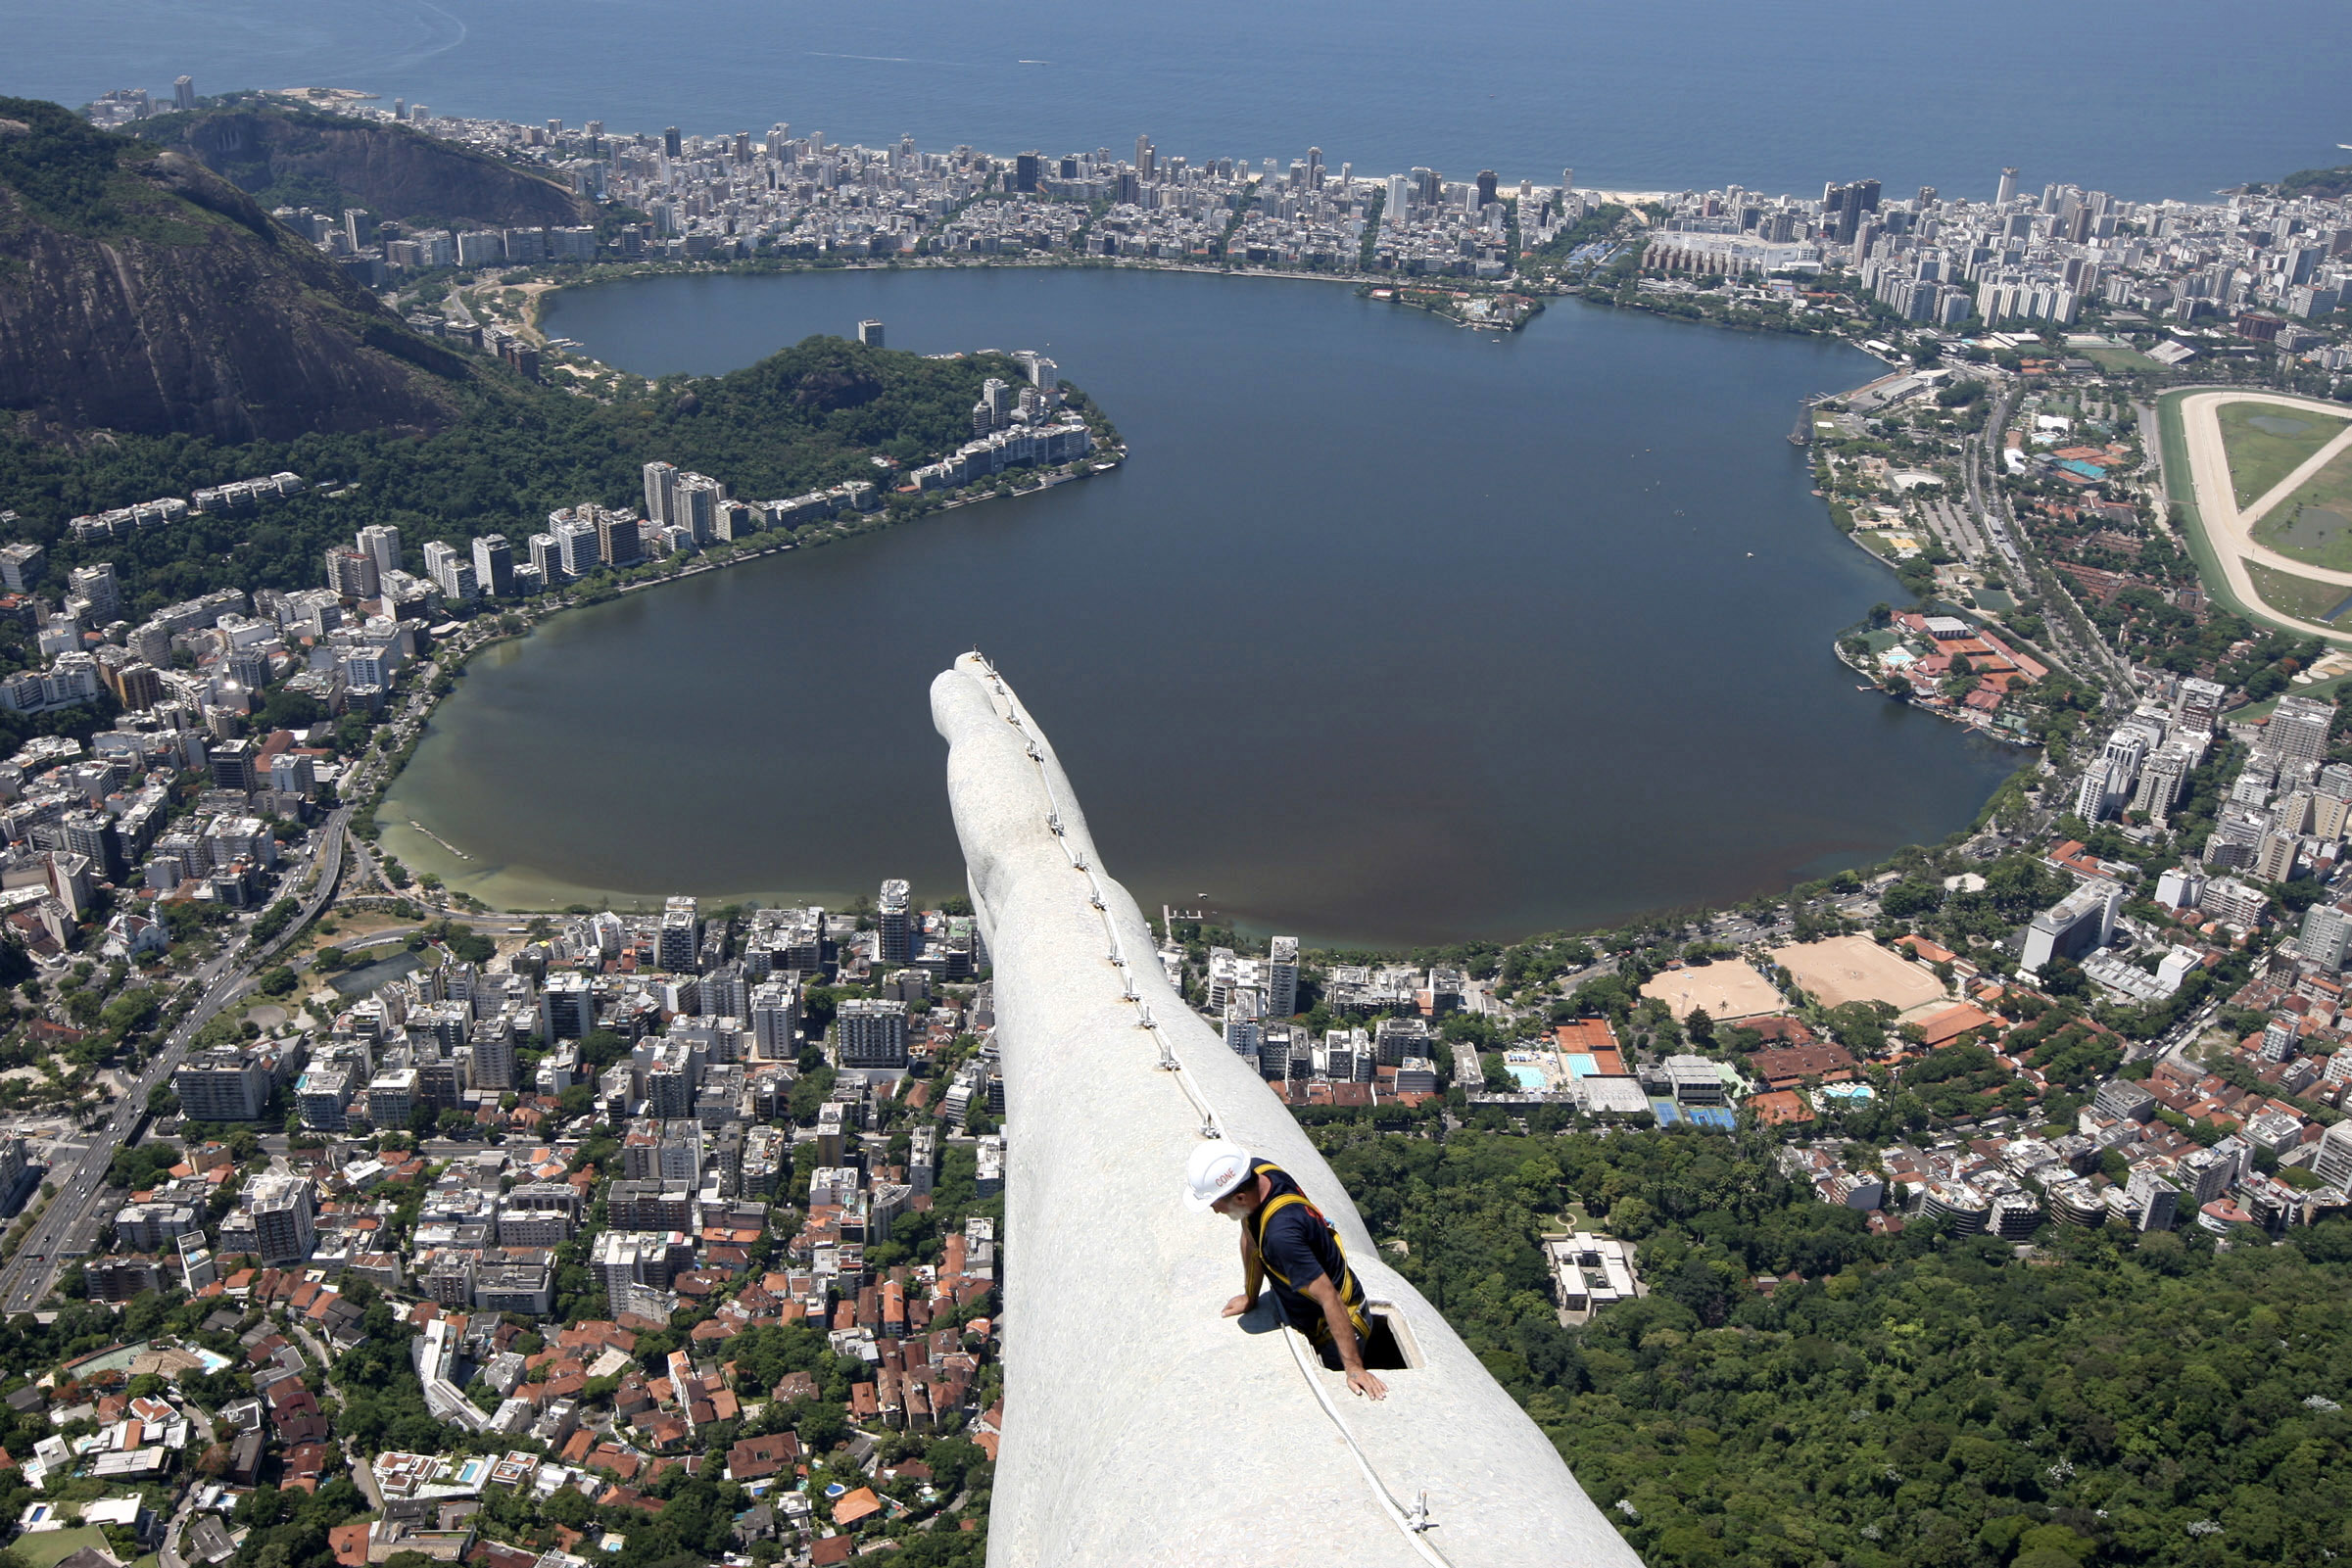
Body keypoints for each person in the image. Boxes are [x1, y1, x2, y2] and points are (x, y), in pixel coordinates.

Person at [1184, 1141, 1387, 1400]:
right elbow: (1250, 1234)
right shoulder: (1260, 1172)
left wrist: (1354, 1368)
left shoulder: (1282, 1237)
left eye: (1215, 1203)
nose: (1214, 1210)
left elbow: (1328, 1297)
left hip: (1338, 1326)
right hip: (1316, 1302)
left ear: (1239, 1198)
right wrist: (1250, 1296)